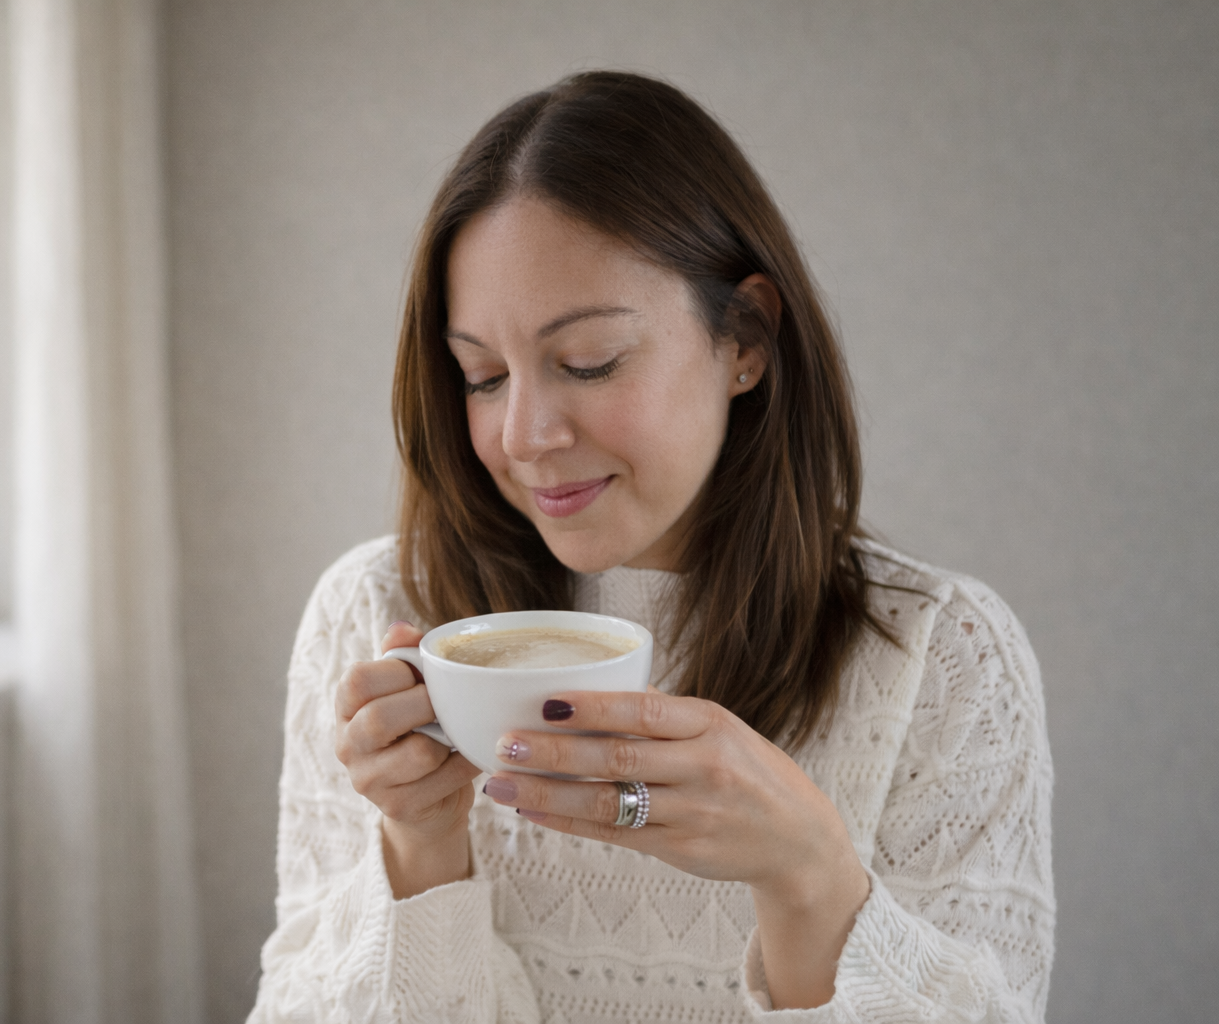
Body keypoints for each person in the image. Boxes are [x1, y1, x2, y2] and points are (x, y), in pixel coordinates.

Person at [248, 70, 1054, 1023]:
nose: (524, 435)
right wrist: (420, 850)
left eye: (589, 362)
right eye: (483, 377)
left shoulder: (940, 658)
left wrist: (808, 878)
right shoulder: (376, 617)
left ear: (745, 337)